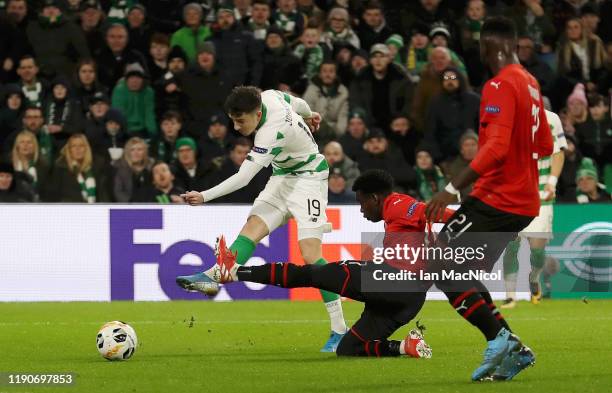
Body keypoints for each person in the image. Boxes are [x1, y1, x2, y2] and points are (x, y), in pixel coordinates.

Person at [187, 170, 438, 358]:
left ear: (375, 197)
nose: (361, 210)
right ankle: (407, 347)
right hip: (409, 300)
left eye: (362, 202)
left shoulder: (397, 203)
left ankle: (234, 272)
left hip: (391, 281)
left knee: (311, 274)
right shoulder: (400, 213)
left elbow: (433, 212)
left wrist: (468, 217)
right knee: (349, 349)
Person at [426, 16, 553, 381]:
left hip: (499, 196)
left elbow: (496, 147)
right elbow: (543, 144)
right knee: (461, 270)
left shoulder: (500, 83)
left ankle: (500, 339)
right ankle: (511, 348)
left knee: (439, 262)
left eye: (481, 46)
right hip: (522, 200)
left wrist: (451, 188)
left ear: (490, 46)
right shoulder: (530, 83)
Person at [176, 86, 349, 352]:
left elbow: (244, 178)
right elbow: (297, 102)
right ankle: (213, 274)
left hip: (310, 178)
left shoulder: (270, 131)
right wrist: (311, 113)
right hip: (282, 176)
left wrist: (204, 196)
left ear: (258, 114)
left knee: (311, 256)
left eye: (241, 121)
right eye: (232, 119)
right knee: (253, 227)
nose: (235, 127)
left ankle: (340, 329)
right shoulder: (270, 95)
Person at [502, 110, 567, 309]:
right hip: (514, 193)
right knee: (511, 244)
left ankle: (534, 277)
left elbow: (558, 153)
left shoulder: (550, 118)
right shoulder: (508, 117)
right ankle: (510, 296)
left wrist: (552, 182)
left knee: (537, 250)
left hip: (542, 193)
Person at [349, 44, 413, 129]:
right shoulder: (360, 80)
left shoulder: (400, 78)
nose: (378, 60)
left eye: (382, 57)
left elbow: (409, 103)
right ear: (370, 60)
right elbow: (356, 104)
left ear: (389, 59)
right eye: (374, 57)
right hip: (369, 125)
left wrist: (401, 119)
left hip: (396, 124)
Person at [425, 66, 480, 162]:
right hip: (447, 156)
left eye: (453, 78)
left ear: (460, 80)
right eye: (446, 79)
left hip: (475, 154)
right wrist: (438, 156)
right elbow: (430, 131)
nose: (450, 81)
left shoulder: (474, 100)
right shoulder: (435, 103)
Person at [26, 0, 90, 79]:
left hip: (65, 75)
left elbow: (83, 53)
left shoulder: (71, 28)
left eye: (55, 8)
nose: (51, 10)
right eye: (47, 8)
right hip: (38, 74)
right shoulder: (32, 28)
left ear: (60, 10)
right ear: (41, 11)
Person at [45, 133, 111, 202]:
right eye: (73, 146)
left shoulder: (97, 167)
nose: (77, 149)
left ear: (86, 148)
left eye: (81, 146)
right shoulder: (60, 168)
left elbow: (103, 194)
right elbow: (53, 195)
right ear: (69, 150)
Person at [210, 5, 263, 87]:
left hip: (244, 86)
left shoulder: (247, 37)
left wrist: (253, 84)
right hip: (219, 88)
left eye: (228, 16)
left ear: (234, 18)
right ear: (217, 20)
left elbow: (256, 62)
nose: (225, 20)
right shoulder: (211, 41)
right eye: (221, 17)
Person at [210, 137, 269, 204]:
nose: (243, 156)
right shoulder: (220, 173)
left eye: (247, 152)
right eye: (239, 152)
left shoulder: (259, 172)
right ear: (231, 154)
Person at [111, 63, 157, 139]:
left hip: (143, 130)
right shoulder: (119, 90)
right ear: (126, 79)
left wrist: (153, 133)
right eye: (131, 77)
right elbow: (118, 115)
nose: (135, 81)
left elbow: (149, 114)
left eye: (138, 77)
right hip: (125, 130)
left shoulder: (148, 92)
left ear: (143, 80)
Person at [10, 130, 50, 201]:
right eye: (22, 142)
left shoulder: (44, 166)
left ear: (35, 146)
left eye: (29, 142)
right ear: (17, 146)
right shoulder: (8, 164)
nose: (25, 145)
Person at [113, 136, 154, 202]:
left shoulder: (152, 166)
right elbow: (118, 192)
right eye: (132, 150)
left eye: (139, 149)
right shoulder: (121, 169)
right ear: (128, 152)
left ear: (145, 152)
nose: (136, 153)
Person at [443, 131, 478, 200]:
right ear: (461, 150)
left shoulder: (487, 166)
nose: (470, 148)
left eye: (473, 145)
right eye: (466, 145)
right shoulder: (453, 169)